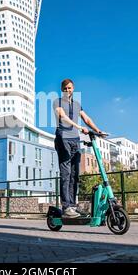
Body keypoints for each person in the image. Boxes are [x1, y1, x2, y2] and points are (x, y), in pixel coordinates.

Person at [53, 79, 106, 218]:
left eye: (69, 88)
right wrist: (79, 127)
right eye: (65, 88)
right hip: (63, 138)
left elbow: (86, 119)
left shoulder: (77, 104)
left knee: (75, 175)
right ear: (61, 89)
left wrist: (98, 131)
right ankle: (66, 207)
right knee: (66, 173)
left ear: (73, 88)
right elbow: (63, 118)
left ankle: (73, 206)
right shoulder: (57, 102)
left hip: (75, 141)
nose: (67, 90)